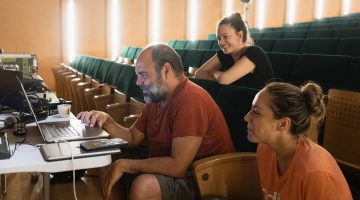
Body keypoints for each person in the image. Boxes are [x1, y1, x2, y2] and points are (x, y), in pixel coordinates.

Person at [77, 43, 235, 200]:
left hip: (204, 176)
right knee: (106, 158)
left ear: (166, 70)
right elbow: (132, 137)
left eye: (143, 74)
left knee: (144, 186)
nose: (138, 82)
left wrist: (127, 164)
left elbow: (177, 167)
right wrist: (106, 120)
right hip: (177, 166)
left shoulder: (190, 99)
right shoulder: (156, 98)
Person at [244, 81, 353, 200]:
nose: (246, 117)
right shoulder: (265, 150)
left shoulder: (314, 173)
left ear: (283, 124)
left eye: (256, 112)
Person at [194, 12, 274, 89]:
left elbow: (224, 80)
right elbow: (199, 74)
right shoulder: (224, 54)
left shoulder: (255, 52)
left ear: (240, 35)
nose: (220, 42)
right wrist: (221, 77)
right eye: (218, 38)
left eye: (225, 36)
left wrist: (213, 73)